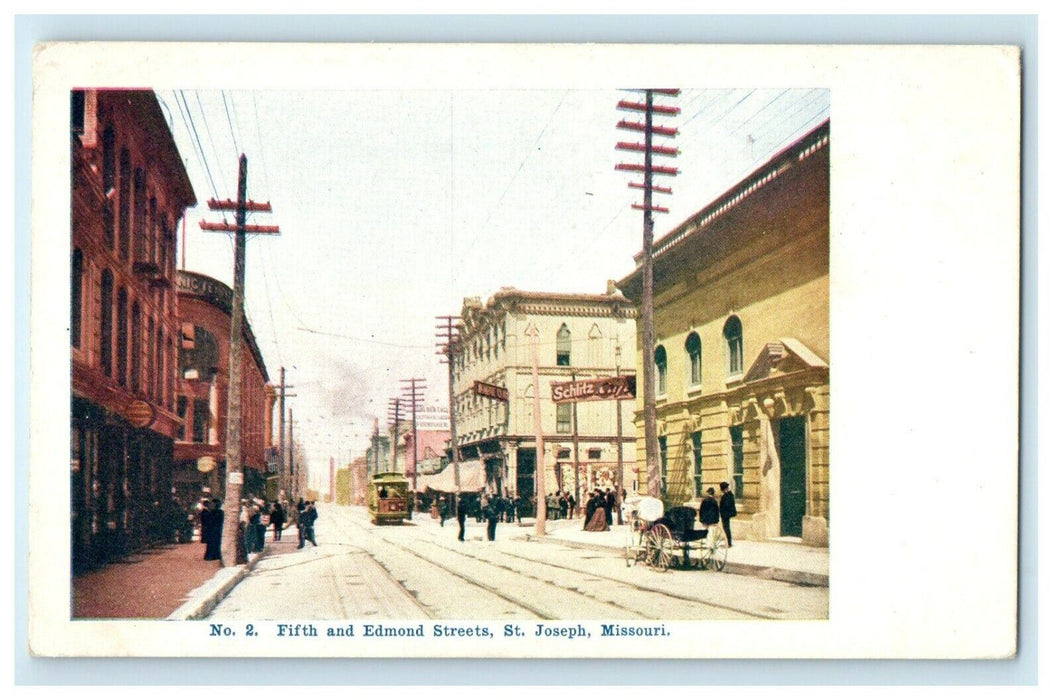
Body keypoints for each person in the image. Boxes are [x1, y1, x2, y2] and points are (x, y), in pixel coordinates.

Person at [719, 482, 737, 547]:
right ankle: (728, 542)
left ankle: (728, 543)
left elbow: (726, 505)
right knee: (726, 528)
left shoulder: (727, 496)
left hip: (726, 514)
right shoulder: (729, 495)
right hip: (726, 514)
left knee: (726, 528)